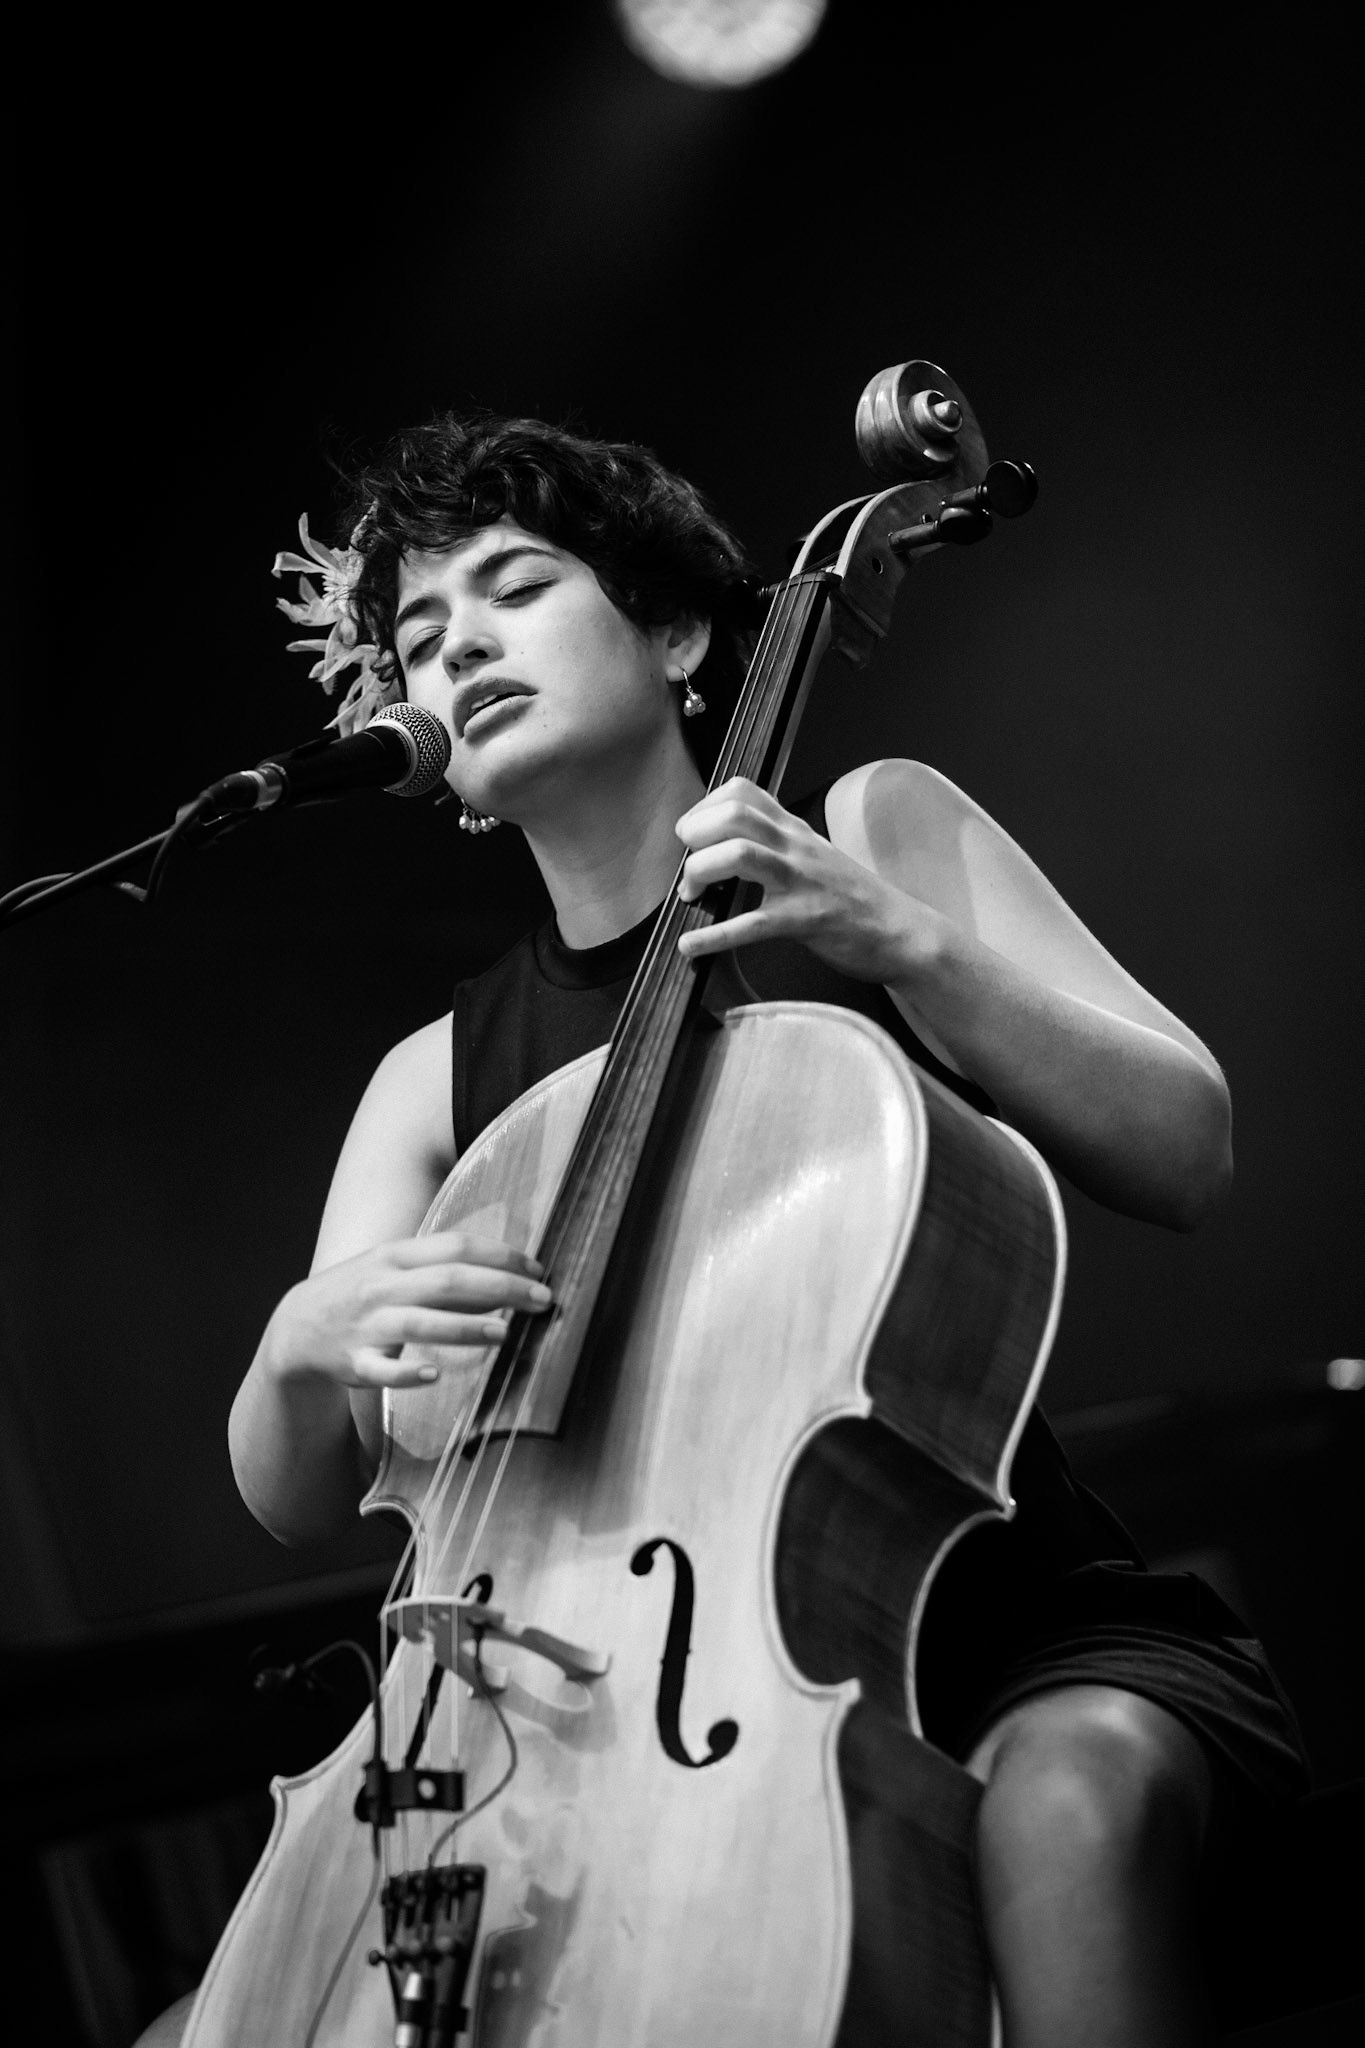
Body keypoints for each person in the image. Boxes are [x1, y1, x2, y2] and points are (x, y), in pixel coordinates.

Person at [217, 415, 1305, 2048]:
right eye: (424, 639)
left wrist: (902, 944)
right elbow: (299, 1492)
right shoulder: (431, 1082)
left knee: (1065, 1812)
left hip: (1007, 1641)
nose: (462, 650)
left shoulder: (866, 831)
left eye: (517, 588)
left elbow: (1186, 1147)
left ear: (674, 633)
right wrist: (298, 1350)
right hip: (588, 1737)